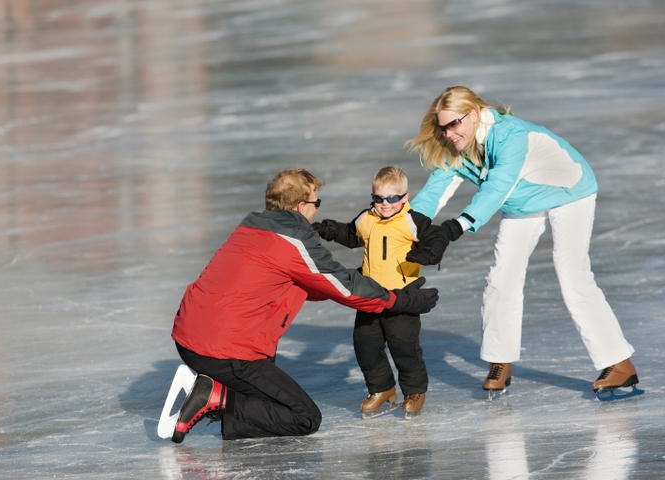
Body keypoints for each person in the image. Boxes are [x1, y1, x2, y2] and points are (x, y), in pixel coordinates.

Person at [169, 168, 439, 443]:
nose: (316, 210)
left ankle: (218, 392)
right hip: (225, 351)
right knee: (304, 417)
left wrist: (364, 282)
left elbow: (312, 283)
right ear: (301, 206)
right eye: (316, 203)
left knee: (265, 388)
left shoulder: (251, 226)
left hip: (189, 338)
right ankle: (217, 396)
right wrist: (398, 299)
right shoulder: (294, 239)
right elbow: (343, 288)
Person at [405, 86, 639, 398]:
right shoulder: (456, 144)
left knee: (572, 274)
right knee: (502, 278)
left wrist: (452, 229)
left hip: (569, 192)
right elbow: (435, 190)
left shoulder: (511, 136)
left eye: (454, 124)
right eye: (443, 126)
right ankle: (500, 362)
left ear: (473, 115)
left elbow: (497, 187)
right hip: (522, 202)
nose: (448, 133)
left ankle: (619, 364)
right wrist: (405, 228)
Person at [312, 166, 448, 418]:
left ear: (405, 198)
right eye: (378, 198)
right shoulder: (367, 218)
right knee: (365, 345)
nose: (385, 204)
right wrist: (323, 229)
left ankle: (414, 391)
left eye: (392, 198)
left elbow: (436, 237)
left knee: (404, 346)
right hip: (369, 295)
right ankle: (382, 388)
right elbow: (350, 234)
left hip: (402, 298)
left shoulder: (411, 221)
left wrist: (428, 253)